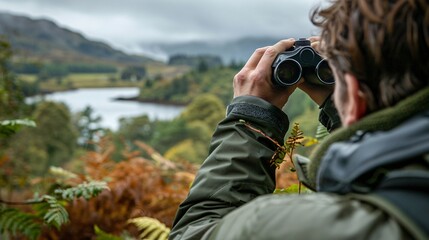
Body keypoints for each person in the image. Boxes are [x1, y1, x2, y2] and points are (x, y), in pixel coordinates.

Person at [169, 0, 429, 239]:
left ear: (353, 96)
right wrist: (349, 107)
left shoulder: (305, 228)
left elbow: (194, 230)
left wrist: (250, 119)